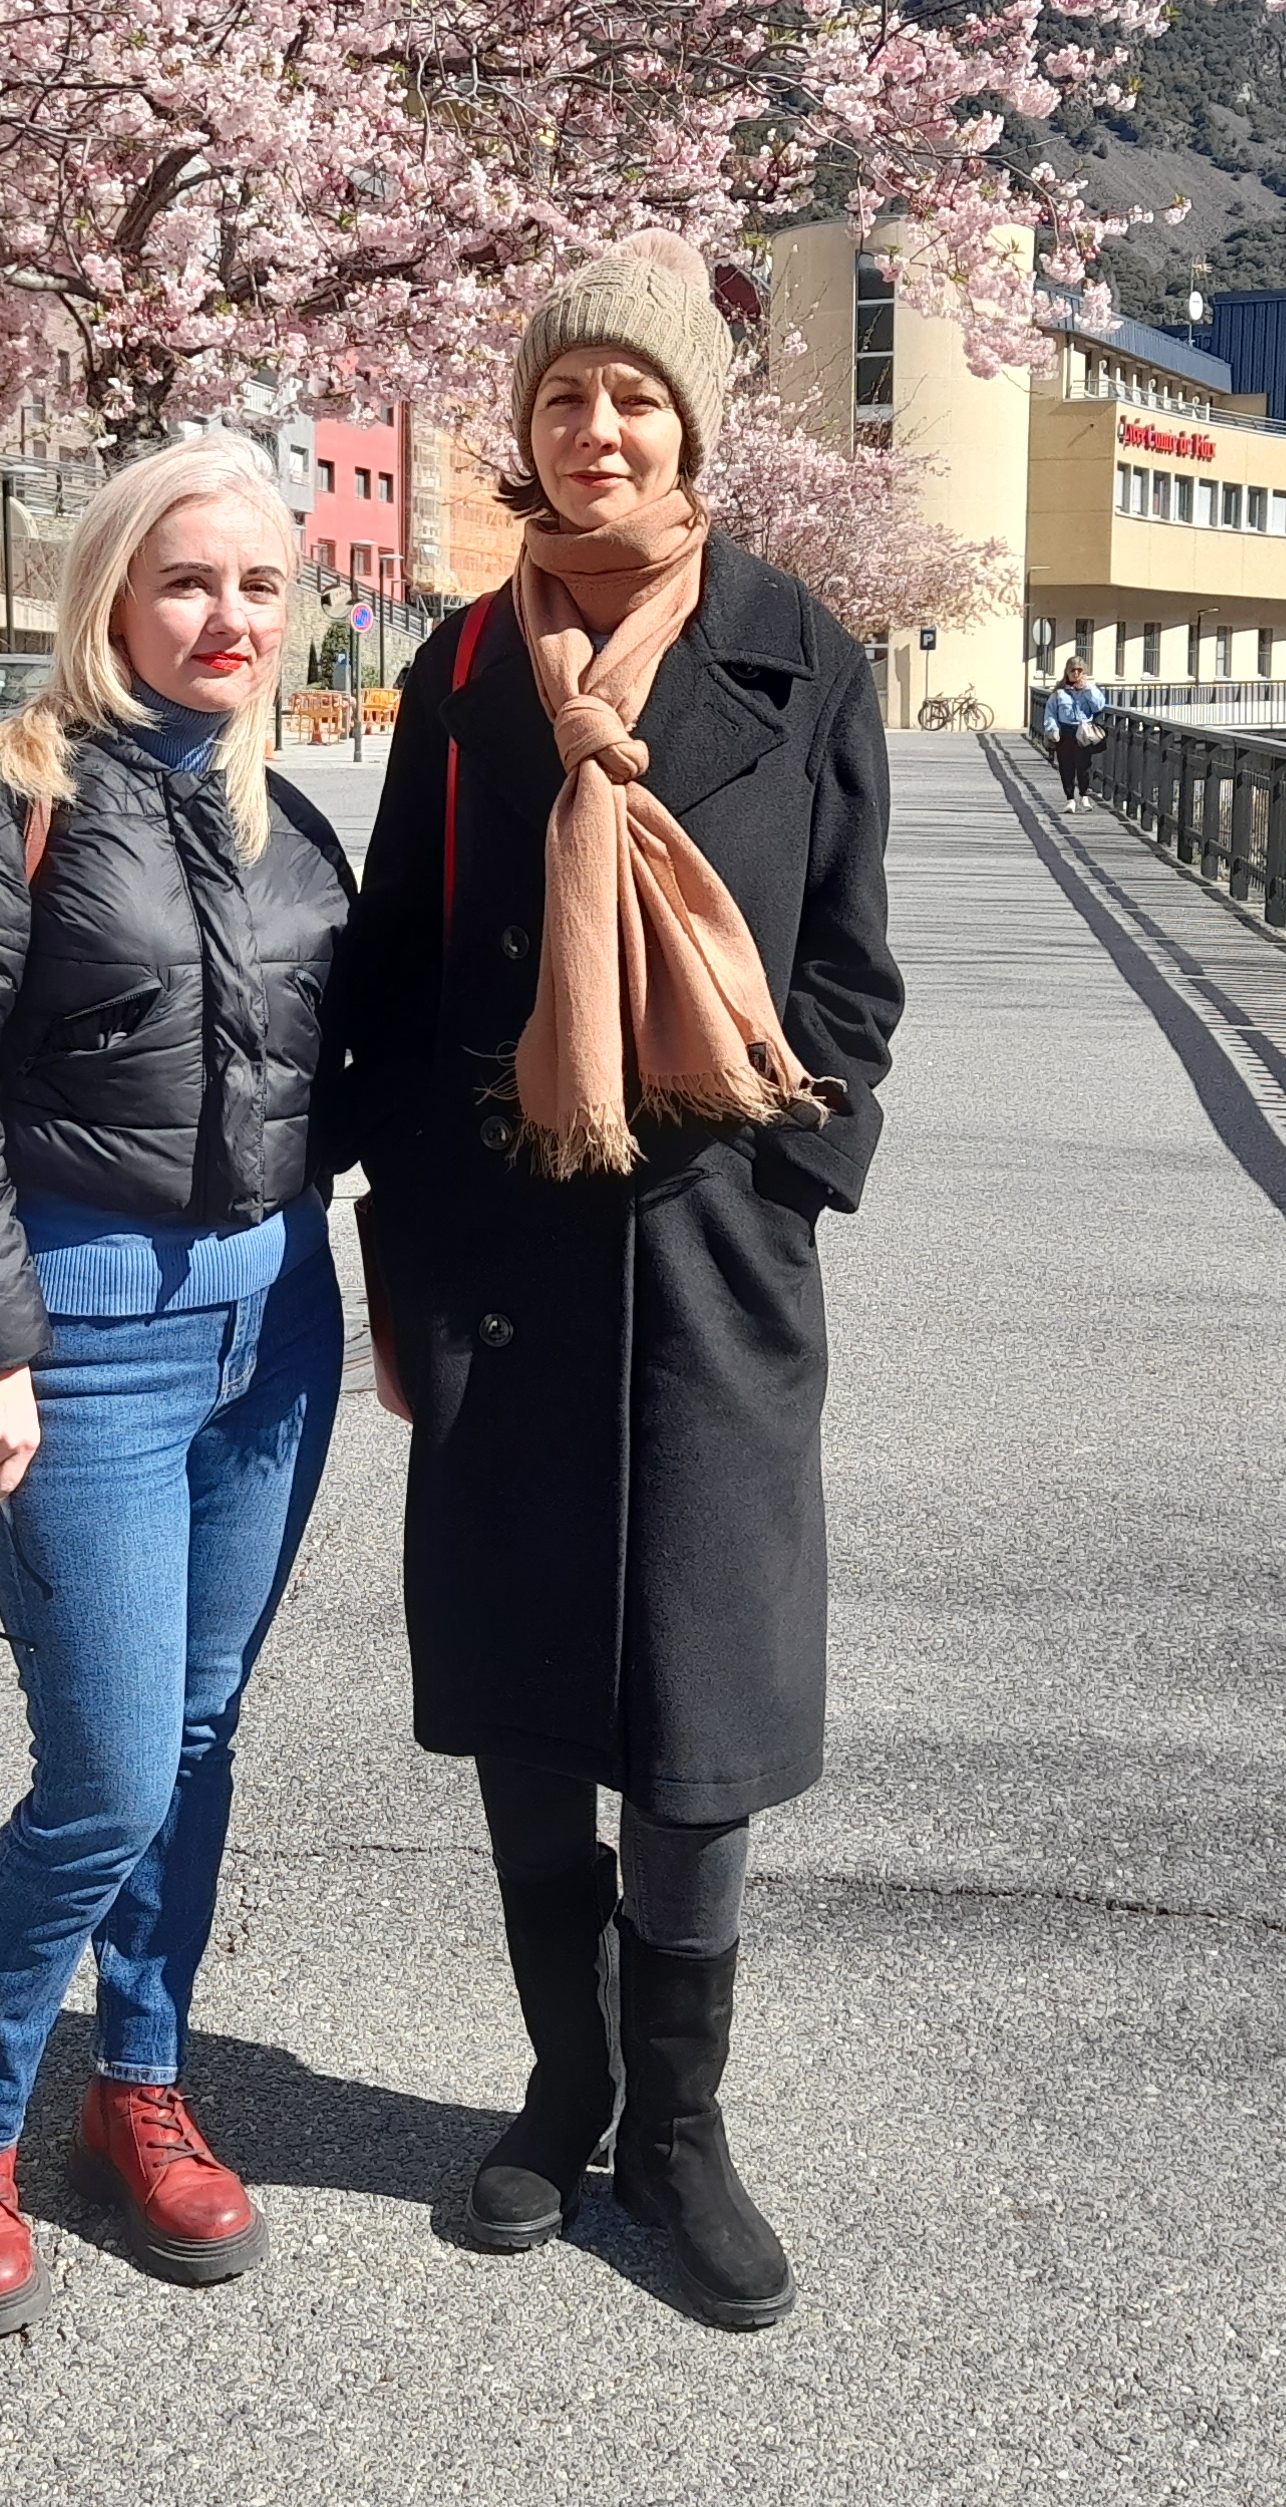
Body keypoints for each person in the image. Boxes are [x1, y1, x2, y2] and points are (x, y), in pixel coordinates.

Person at [332, 231, 903, 2332]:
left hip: (712, 1256)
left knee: (698, 1705)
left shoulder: (798, 652)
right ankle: (558, 2087)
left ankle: (676, 2126)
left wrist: (778, 1172)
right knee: (523, 1691)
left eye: (634, 399)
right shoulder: (463, 670)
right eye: (564, 397)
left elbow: (852, 968)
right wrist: (403, 1245)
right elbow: (398, 976)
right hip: (502, 1246)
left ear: (691, 429)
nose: (597, 432)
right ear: (527, 425)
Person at [0, 434, 354, 2344]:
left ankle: (139, 2087)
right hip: (83, 1355)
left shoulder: (280, 819)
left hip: (273, 1336)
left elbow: (340, 1078)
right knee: (110, 1773)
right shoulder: (1, 800)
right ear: (112, 596)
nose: (228, 618)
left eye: (260, 586)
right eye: (188, 581)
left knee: (199, 1740)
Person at [1039, 654, 1108, 811]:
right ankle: (1070, 799)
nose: (1076, 673)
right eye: (1073, 670)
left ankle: (1084, 796)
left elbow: (1098, 706)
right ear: (1067, 672)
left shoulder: (1090, 689)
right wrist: (1053, 729)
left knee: (1084, 767)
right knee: (1066, 767)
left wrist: (1088, 689)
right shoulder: (1059, 692)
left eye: (1079, 670)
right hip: (1065, 732)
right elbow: (1050, 713)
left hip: (1083, 733)